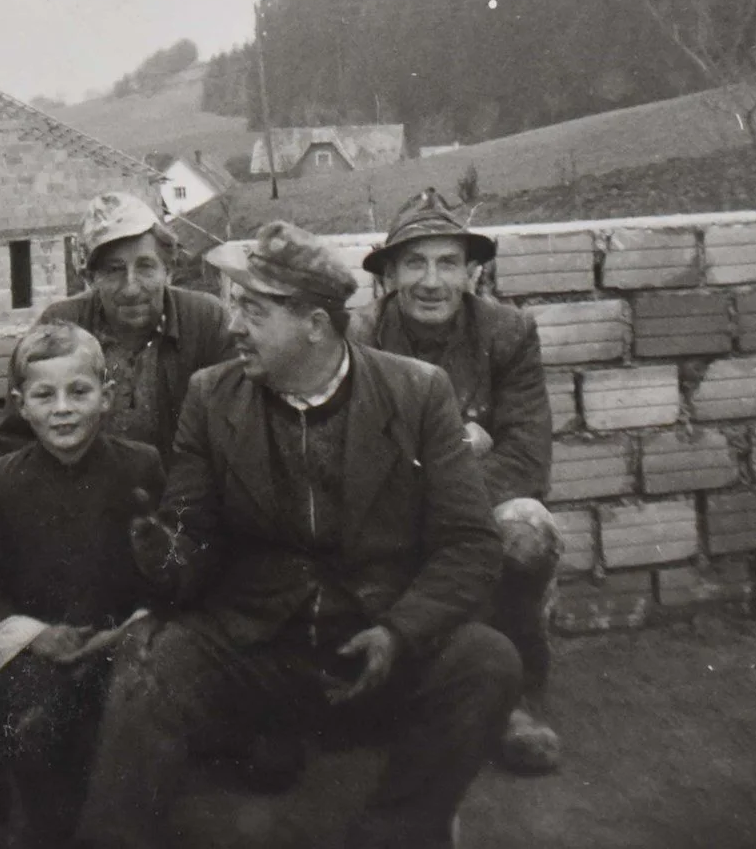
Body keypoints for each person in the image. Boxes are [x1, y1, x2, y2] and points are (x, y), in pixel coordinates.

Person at [76, 222, 520, 849]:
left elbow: (471, 544)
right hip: (256, 648)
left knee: (487, 659)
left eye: (252, 311)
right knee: (151, 659)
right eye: (234, 307)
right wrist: (165, 555)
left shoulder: (418, 393)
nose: (233, 327)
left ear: (315, 324)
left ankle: (392, 833)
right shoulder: (213, 396)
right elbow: (192, 535)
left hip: (373, 644)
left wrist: (401, 630)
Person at [348, 187, 561, 773]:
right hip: (391, 521)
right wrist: (459, 449)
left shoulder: (508, 333)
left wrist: (447, 497)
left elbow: (526, 457)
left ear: (472, 271)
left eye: (447, 262)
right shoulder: (360, 339)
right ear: (389, 273)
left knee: (525, 532)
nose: (431, 281)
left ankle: (520, 695)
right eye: (414, 262)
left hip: (473, 507)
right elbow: (355, 460)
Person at [0, 322, 165, 846]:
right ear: (22, 405)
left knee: (124, 727)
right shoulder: (3, 478)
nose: (63, 409)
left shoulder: (141, 466)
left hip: (119, 643)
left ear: (107, 397)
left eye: (80, 392)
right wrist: (35, 636)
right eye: (45, 396)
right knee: (34, 728)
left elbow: (167, 571)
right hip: (38, 653)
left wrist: (125, 631)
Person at [0, 191, 234, 463]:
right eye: (113, 270)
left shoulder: (206, 321)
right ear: (90, 278)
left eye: (145, 267)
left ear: (169, 269)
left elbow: (230, 431)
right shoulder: (60, 324)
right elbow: (15, 442)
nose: (131, 287)